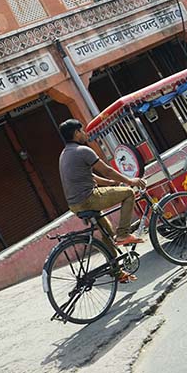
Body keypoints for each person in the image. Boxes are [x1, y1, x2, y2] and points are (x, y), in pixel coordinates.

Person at [58, 119, 147, 282]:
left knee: (107, 233)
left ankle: (117, 273)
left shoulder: (65, 154)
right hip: (89, 198)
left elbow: (90, 176)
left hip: (75, 205)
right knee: (128, 193)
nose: (85, 133)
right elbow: (106, 170)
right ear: (76, 133)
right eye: (82, 130)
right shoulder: (82, 150)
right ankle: (124, 234)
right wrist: (130, 181)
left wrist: (112, 184)